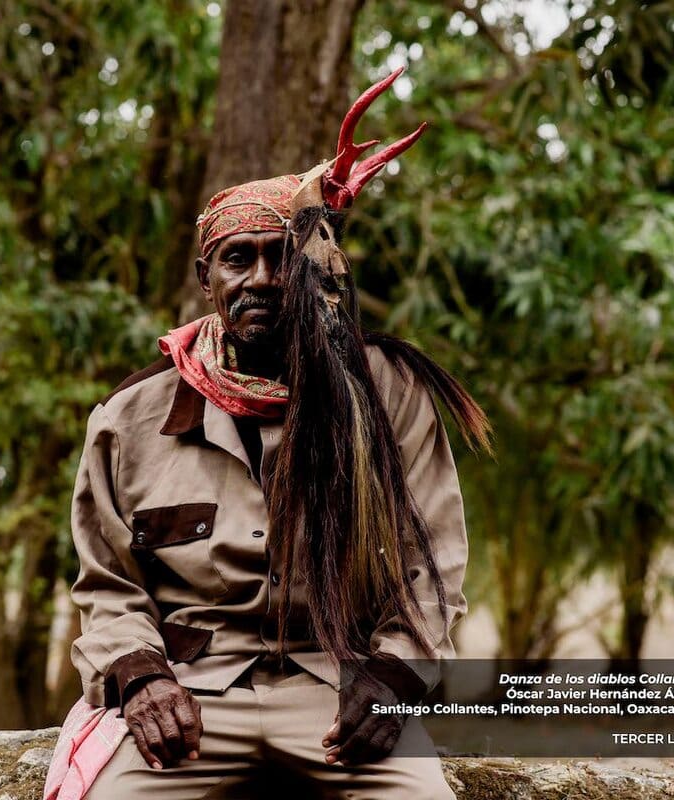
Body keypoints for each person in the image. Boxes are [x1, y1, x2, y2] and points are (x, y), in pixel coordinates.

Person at [66, 68, 491, 800]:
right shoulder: (129, 419)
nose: (262, 278)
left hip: (337, 691)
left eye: (283, 256)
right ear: (207, 280)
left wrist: (393, 675)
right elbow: (108, 585)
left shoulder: (388, 394)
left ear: (314, 271)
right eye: (239, 258)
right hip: (190, 696)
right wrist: (139, 678)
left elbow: (433, 567)